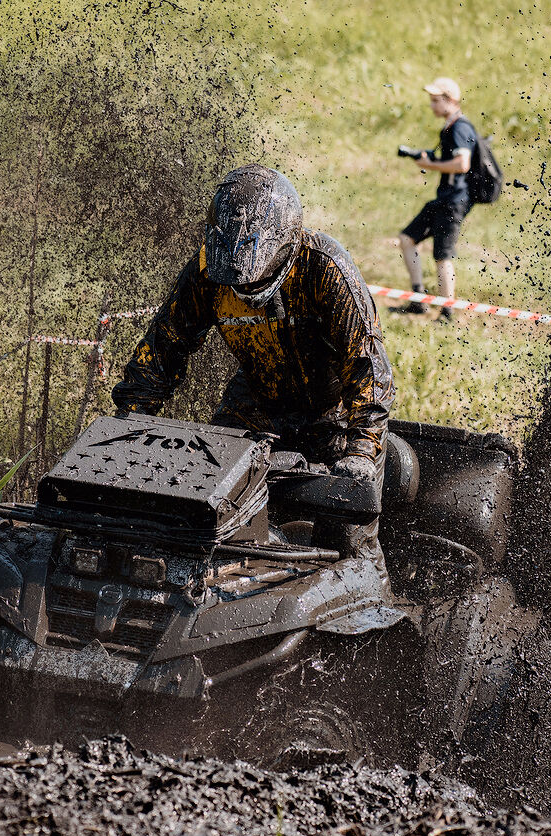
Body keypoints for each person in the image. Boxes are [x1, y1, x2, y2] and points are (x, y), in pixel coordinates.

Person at [113, 164, 395, 563]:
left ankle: (374, 604)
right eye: (235, 285)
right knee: (205, 511)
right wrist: (132, 417)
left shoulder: (326, 270)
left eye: (252, 283)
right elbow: (165, 346)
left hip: (335, 413)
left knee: (348, 539)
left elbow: (367, 368)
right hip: (256, 402)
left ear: (285, 248)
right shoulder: (207, 272)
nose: (243, 293)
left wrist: (362, 450)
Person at [396, 77, 477, 323]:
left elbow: (463, 164)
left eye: (435, 101)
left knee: (442, 255)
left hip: (453, 202)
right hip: (445, 199)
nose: (431, 106)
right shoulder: (451, 126)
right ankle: (419, 297)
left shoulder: (460, 127)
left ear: (450, 101)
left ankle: (447, 312)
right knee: (407, 239)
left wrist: (430, 164)